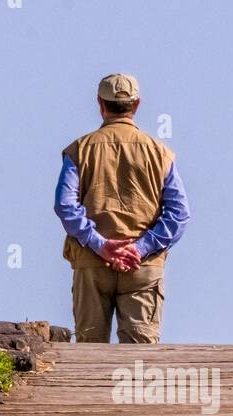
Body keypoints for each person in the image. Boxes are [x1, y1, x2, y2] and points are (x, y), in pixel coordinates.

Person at [53, 73, 191, 343]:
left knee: (90, 354)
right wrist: (139, 248)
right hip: (143, 266)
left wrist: (98, 243)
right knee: (140, 358)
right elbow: (179, 213)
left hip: (91, 263)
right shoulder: (159, 152)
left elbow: (65, 204)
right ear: (137, 104)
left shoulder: (79, 150)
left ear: (99, 103)